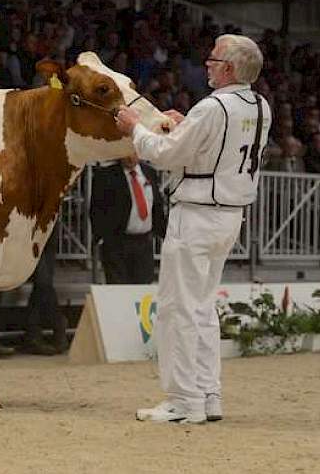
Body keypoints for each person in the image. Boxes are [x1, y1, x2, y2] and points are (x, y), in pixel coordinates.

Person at [115, 34, 271, 424]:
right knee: (202, 308)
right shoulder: (260, 105)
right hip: (229, 215)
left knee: (176, 308)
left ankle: (184, 402)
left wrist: (135, 128)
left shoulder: (214, 105)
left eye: (214, 59)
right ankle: (207, 394)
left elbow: (166, 155)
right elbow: (209, 142)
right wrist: (187, 129)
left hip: (197, 213)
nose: (207, 64)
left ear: (230, 68)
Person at [89, 154, 166, 284]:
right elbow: (96, 209)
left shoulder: (149, 173)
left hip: (144, 244)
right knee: (119, 290)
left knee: (142, 292)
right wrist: (101, 237)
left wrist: (164, 233)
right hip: (117, 244)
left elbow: (156, 205)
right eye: (126, 153)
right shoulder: (106, 175)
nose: (130, 158)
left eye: (134, 153)